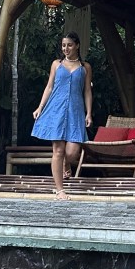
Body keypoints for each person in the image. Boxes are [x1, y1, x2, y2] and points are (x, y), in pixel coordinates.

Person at [32, 32, 93, 198]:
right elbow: (49, 87)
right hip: (56, 110)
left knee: (72, 151)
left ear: (77, 45)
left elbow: (87, 91)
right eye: (64, 45)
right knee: (58, 151)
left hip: (75, 111)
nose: (66, 48)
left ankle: (67, 164)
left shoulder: (85, 67)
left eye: (69, 45)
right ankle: (60, 190)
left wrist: (89, 113)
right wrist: (40, 108)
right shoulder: (56, 64)